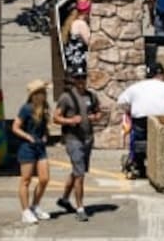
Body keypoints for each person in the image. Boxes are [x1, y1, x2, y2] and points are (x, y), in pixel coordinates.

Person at [116, 63, 164, 179]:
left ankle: (137, 163)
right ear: (161, 74)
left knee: (137, 134)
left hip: (142, 122)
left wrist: (130, 108)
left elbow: (121, 101)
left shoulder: (136, 87)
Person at [52, 69, 101, 222]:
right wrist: (70, 121)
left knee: (77, 171)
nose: (81, 81)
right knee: (80, 175)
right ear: (73, 79)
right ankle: (80, 208)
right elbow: (56, 117)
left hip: (88, 138)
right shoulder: (66, 97)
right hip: (73, 139)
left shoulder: (91, 96)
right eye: (78, 78)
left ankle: (64, 200)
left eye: (83, 77)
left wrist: (95, 117)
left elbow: (98, 112)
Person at [13, 80, 52, 224]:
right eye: (41, 92)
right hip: (27, 147)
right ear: (35, 95)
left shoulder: (45, 108)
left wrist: (45, 134)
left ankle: (35, 206)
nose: (44, 94)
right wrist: (28, 136)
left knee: (44, 178)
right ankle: (25, 211)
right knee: (26, 180)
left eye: (44, 92)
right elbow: (15, 127)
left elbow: (44, 126)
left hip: (40, 146)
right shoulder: (26, 108)